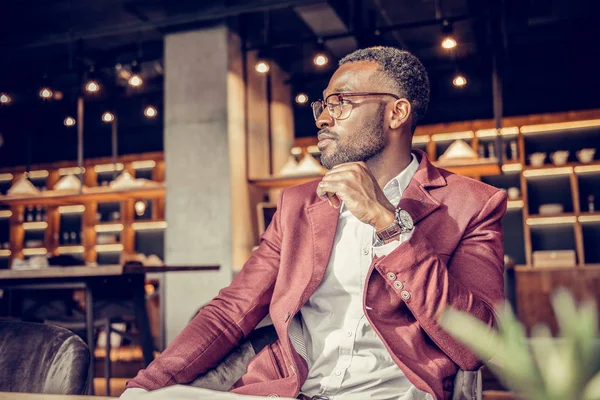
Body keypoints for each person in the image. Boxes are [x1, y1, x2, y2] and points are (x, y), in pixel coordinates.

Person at [122, 46, 507, 400]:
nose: (323, 117)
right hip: (287, 390)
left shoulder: (472, 204)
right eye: (324, 104)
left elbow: (479, 343)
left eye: (341, 103)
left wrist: (389, 225)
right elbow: (229, 313)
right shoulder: (297, 203)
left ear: (396, 113)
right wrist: (145, 386)